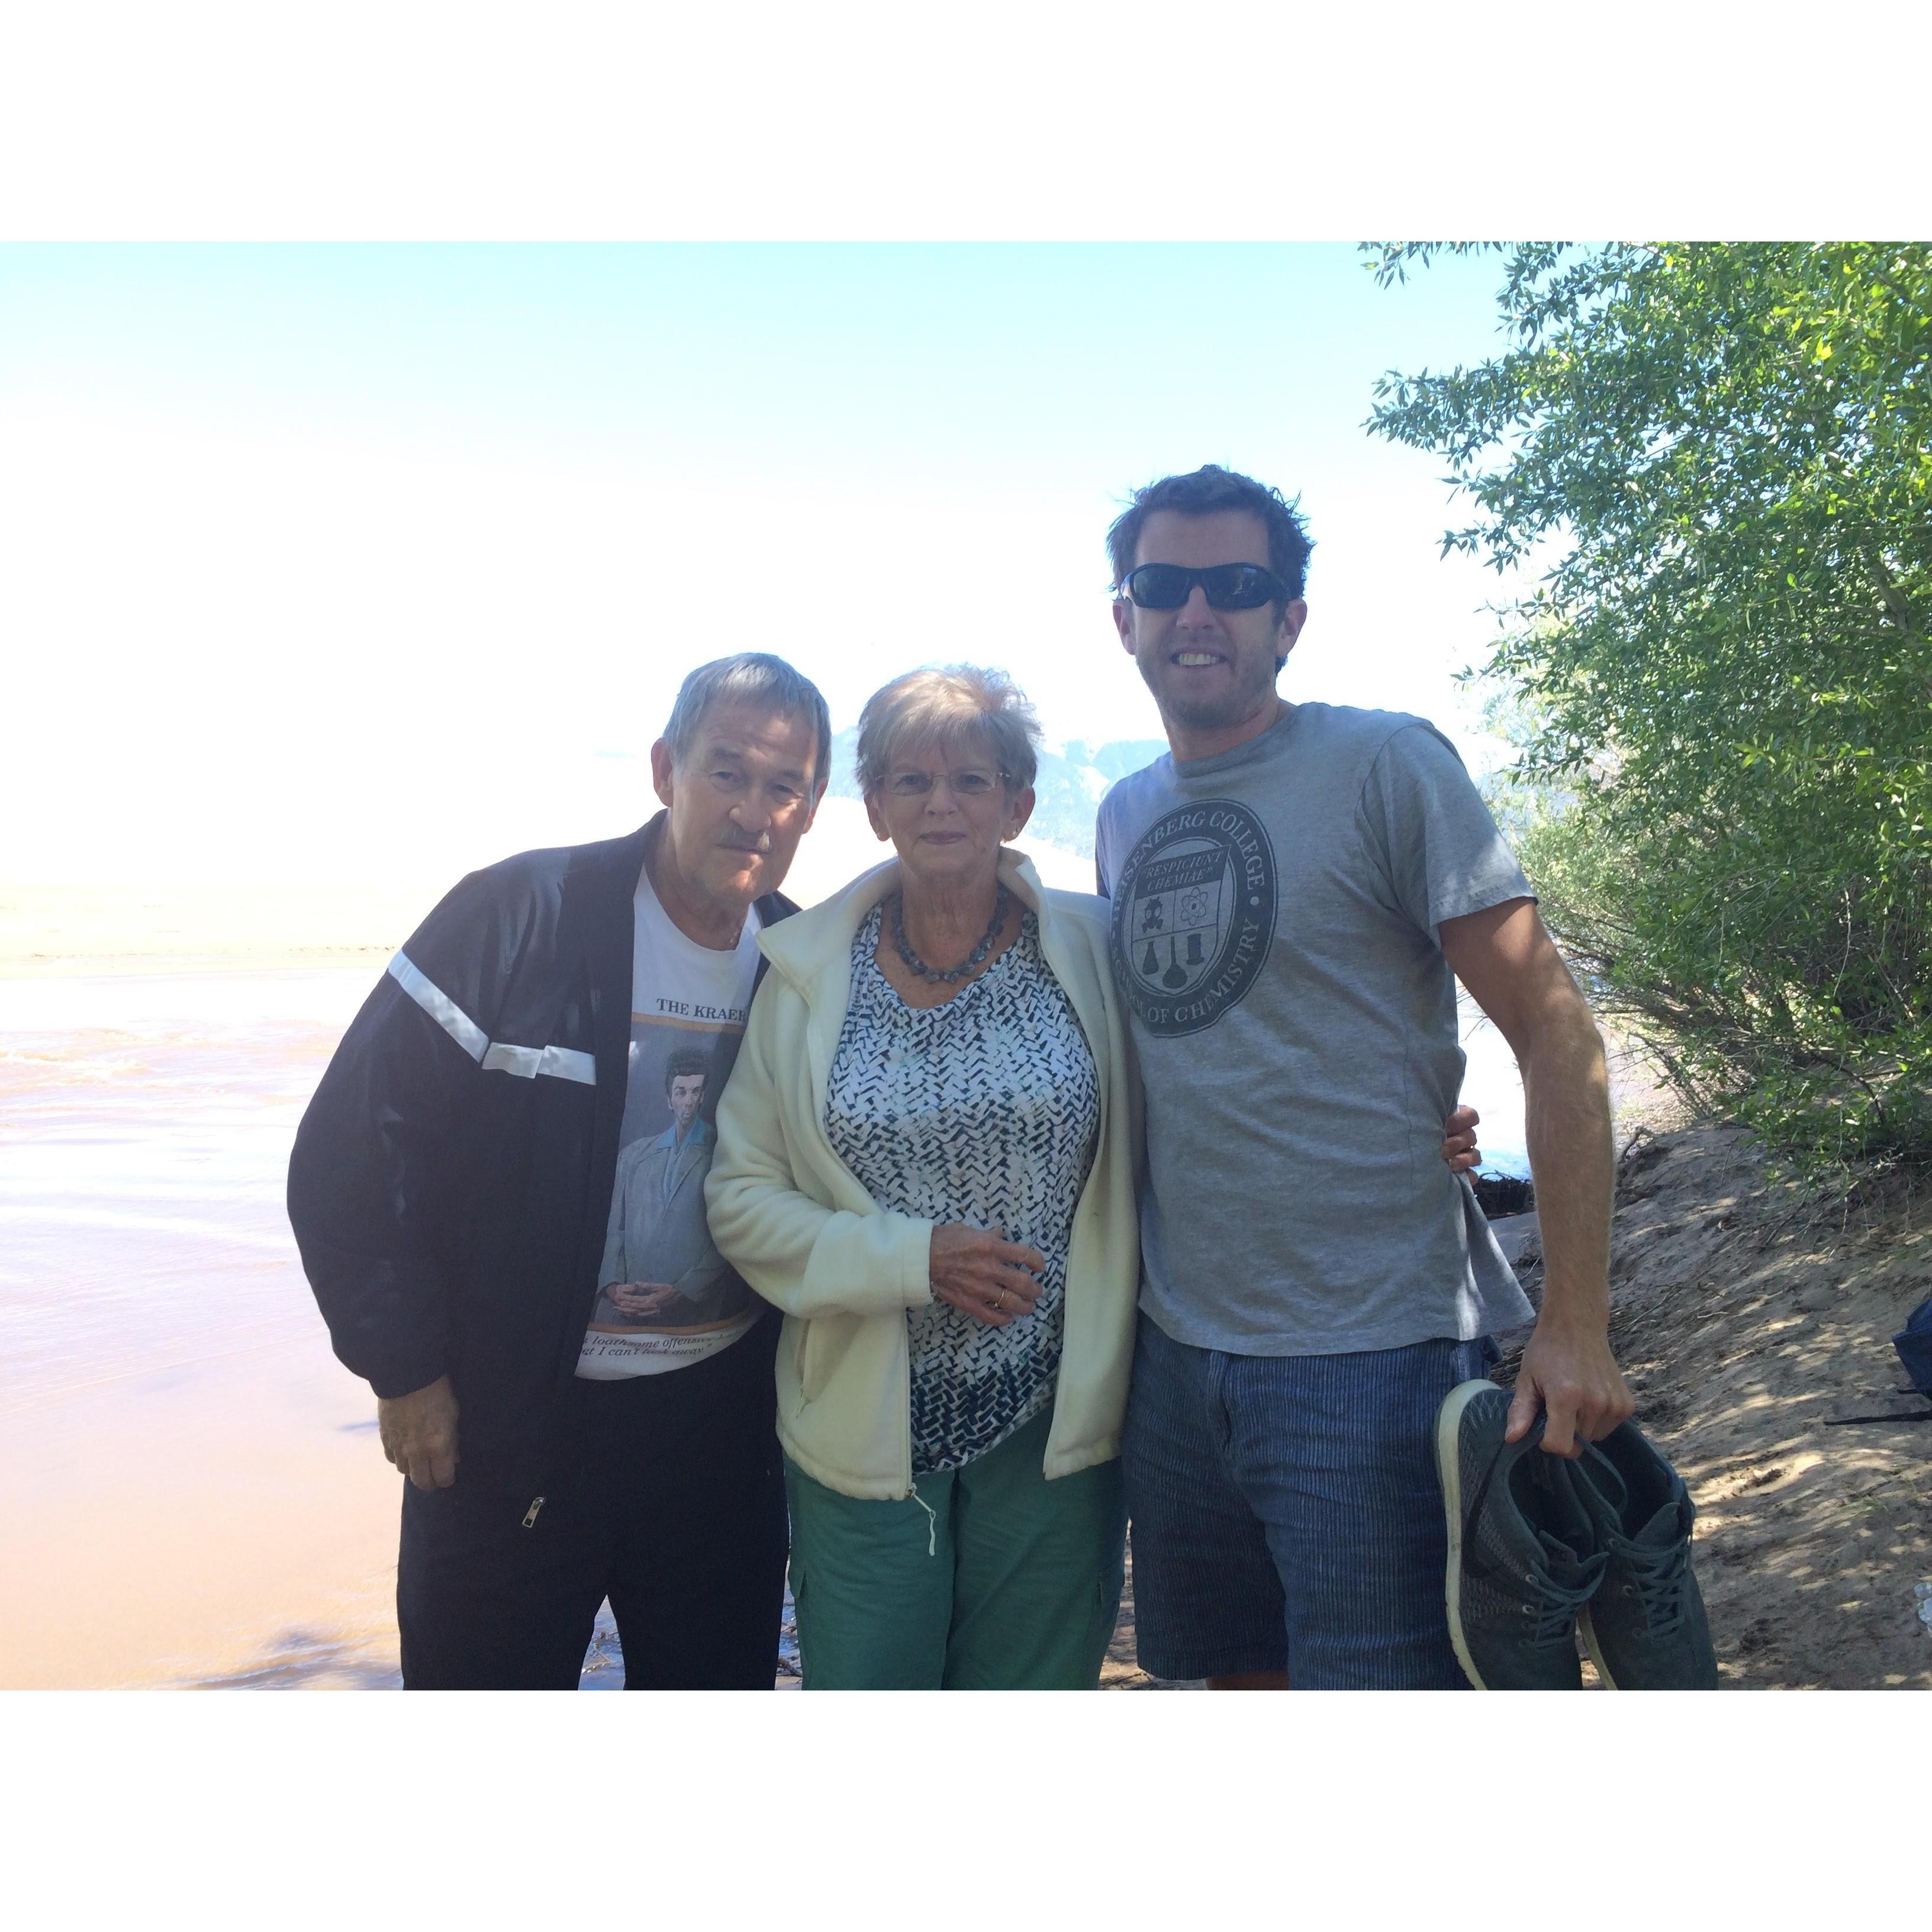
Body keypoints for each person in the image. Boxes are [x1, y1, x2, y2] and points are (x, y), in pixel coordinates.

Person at [704, 664, 1494, 1689]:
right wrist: (911, 1259)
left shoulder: (1093, 944)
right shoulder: (805, 973)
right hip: (858, 1429)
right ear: (876, 805)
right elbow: (742, 1196)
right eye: (910, 780)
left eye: (972, 780)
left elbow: (1231, 1061)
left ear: (1020, 802)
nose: (942, 803)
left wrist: (1398, 1124)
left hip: (1057, 1427)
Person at [1097, 463, 1633, 1691]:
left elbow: (1558, 1033)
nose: (1196, 612)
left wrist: (1576, 1322)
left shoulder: (1389, 766)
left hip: (1372, 1358)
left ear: (1289, 618)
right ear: (1122, 617)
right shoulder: (1126, 811)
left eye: (1235, 587)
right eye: (1162, 585)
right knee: (1238, 1678)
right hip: (1175, 1354)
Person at [286, 652, 830, 1689]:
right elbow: (353, 1150)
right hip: (508, 1422)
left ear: (811, 810)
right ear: (666, 769)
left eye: (784, 786)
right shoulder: (518, 915)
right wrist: (403, 1369)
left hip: (720, 1436)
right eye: (727, 772)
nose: (753, 811)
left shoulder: (804, 961)